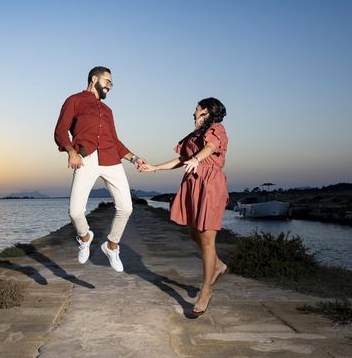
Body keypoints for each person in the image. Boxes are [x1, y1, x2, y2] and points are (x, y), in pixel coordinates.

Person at [140, 97, 228, 315]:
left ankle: (205, 291)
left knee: (207, 240)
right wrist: (155, 168)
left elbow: (210, 147)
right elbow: (180, 159)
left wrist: (197, 160)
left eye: (198, 111)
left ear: (208, 112)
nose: (194, 114)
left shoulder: (218, 129)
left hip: (209, 185)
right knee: (193, 234)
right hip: (191, 186)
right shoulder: (193, 136)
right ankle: (218, 265)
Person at [54, 66, 145, 272]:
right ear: (94, 79)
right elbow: (60, 131)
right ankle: (85, 238)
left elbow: (114, 140)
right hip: (86, 159)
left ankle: (112, 246)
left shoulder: (107, 111)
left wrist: (134, 158)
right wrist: (71, 151)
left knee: (126, 208)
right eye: (107, 81)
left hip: (111, 159)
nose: (110, 86)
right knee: (75, 212)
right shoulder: (74, 101)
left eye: (112, 83)